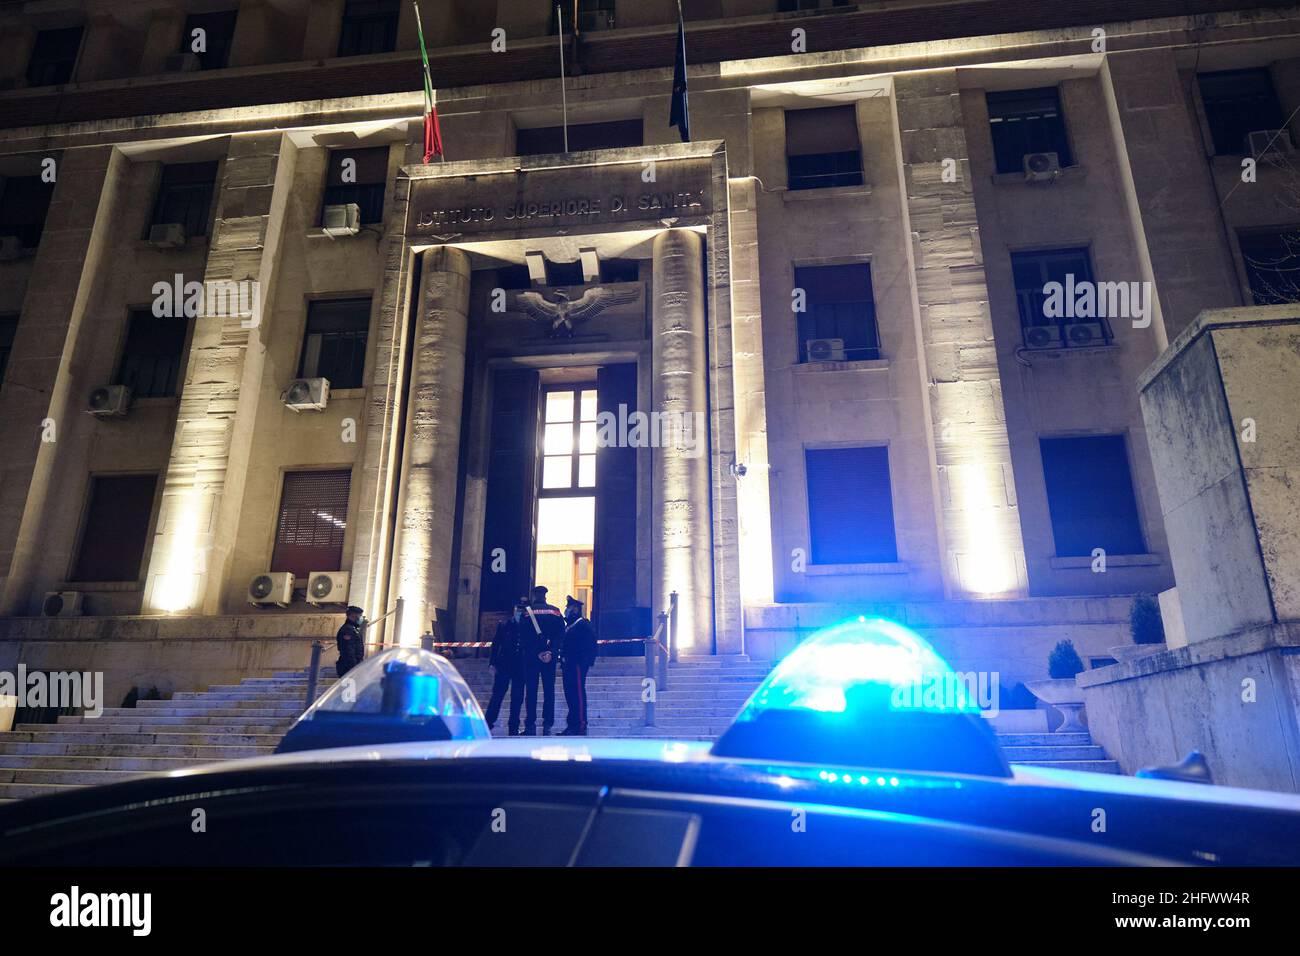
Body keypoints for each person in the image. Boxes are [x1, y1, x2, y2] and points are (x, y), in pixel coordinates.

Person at [521, 585, 565, 736]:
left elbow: (523, 636)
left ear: (534, 596)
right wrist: (551, 651)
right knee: (549, 690)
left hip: (532, 658)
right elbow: (561, 634)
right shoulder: (555, 611)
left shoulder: (527, 613)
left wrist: (537, 653)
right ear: (545, 596)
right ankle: (547, 724)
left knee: (531, 690)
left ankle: (530, 725)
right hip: (549, 657)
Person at [485, 601, 526, 735]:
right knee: (497, 695)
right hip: (504, 665)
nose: (519, 612)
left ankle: (513, 727)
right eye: (518, 609)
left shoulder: (528, 625)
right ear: (514, 609)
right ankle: (488, 723)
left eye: (522, 609)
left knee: (517, 697)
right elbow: (496, 645)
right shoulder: (504, 624)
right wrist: (492, 663)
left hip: (520, 666)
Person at [560, 595, 598, 736]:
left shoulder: (583, 625)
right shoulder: (569, 626)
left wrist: (585, 662)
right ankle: (572, 724)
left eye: (569, 607)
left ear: (575, 609)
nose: (567, 610)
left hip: (577, 664)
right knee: (570, 694)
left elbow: (591, 645)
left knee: (578, 694)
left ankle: (581, 724)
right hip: (568, 664)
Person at [335, 605, 366, 678]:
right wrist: (354, 668)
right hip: (348, 668)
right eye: (360, 615)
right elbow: (348, 651)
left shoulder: (353, 629)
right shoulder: (347, 629)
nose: (361, 618)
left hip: (353, 667)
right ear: (353, 615)